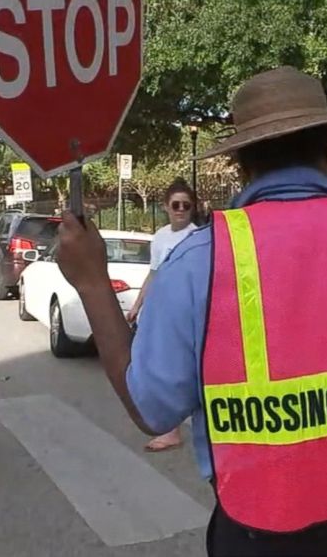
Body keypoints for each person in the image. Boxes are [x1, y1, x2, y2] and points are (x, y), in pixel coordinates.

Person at [56, 66, 327, 556]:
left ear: (241, 164)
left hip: (263, 531)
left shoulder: (199, 262)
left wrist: (92, 283)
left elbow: (152, 408)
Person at [126, 178, 198, 452]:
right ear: (166, 207)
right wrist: (137, 305)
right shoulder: (161, 236)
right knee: (164, 366)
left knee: (186, 366)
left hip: (186, 306)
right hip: (162, 307)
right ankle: (170, 429)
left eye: (186, 205)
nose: (180, 210)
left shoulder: (196, 236)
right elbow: (153, 273)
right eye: (175, 205)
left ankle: (181, 427)